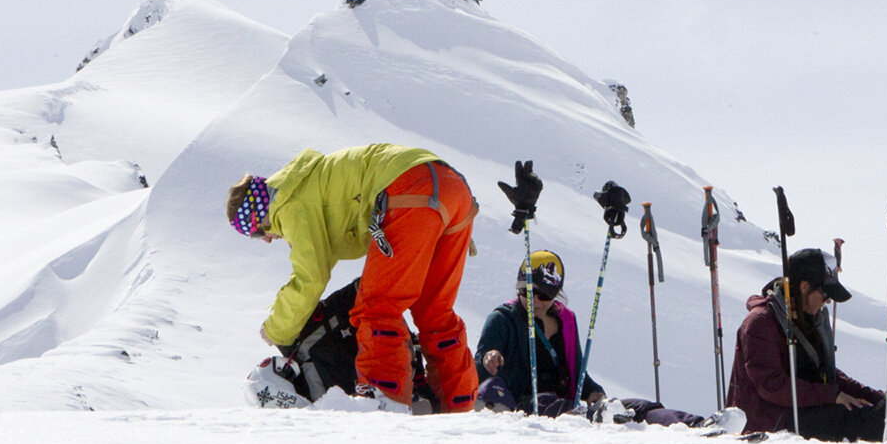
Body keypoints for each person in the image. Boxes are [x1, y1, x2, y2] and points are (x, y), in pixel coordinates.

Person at [227, 143, 479, 413]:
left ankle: (385, 399)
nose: (265, 239)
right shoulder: (307, 183)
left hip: (409, 187)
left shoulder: (287, 204)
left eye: (254, 232)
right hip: (451, 189)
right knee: (435, 311)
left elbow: (311, 276)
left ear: (256, 214)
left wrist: (277, 329)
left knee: (377, 306)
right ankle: (459, 405)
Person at [726, 248, 887, 440]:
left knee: (866, 413)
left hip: (797, 411)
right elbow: (772, 385)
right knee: (850, 421)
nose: (827, 301)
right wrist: (832, 396)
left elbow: (825, 373)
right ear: (804, 287)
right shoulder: (761, 322)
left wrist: (877, 398)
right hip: (766, 422)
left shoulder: (807, 319)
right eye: (825, 294)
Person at [475, 250, 607, 416]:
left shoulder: (567, 321)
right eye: (526, 293)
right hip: (520, 406)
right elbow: (480, 364)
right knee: (551, 402)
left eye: (544, 295)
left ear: (556, 292)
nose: (534, 302)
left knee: (636, 407)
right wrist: (489, 357)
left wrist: (593, 391)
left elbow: (577, 371)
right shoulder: (502, 319)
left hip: (562, 405)